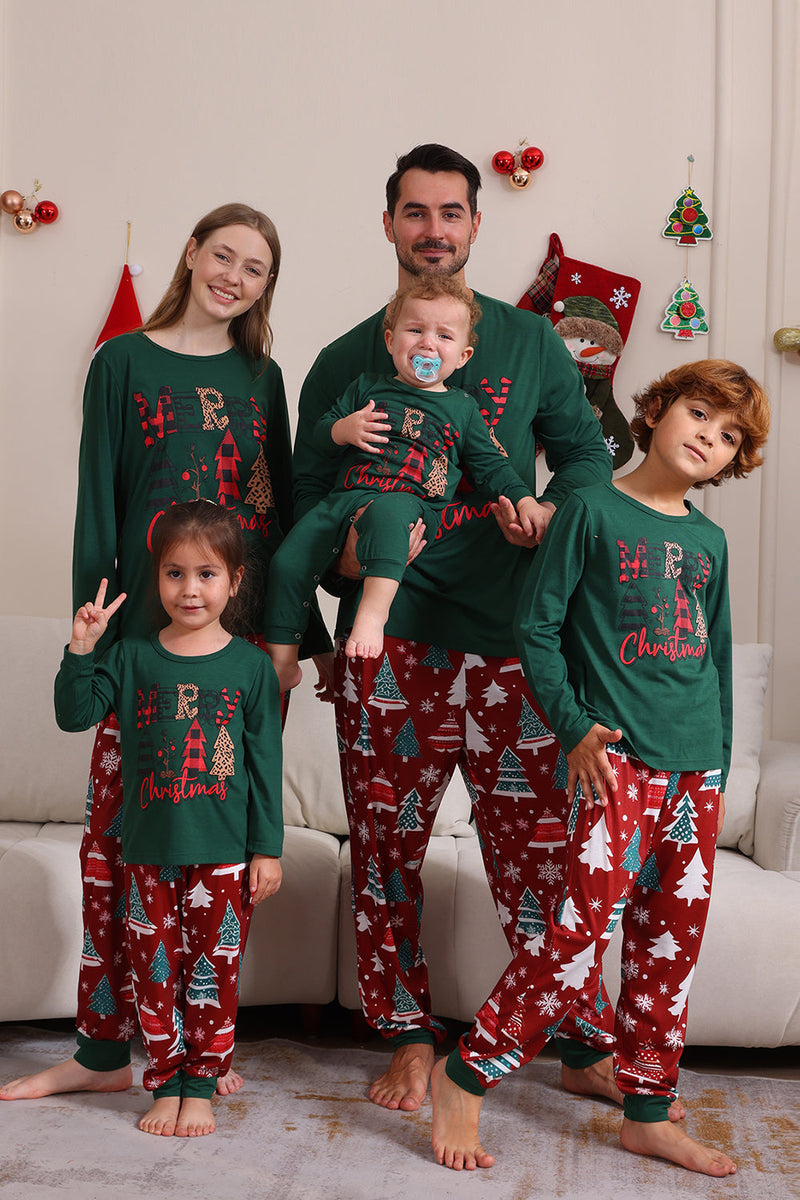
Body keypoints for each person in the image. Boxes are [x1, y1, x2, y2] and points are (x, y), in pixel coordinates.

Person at [293, 144, 618, 1118]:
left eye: (450, 212)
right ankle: (402, 1040)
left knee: (539, 855)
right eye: (414, 212)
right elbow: (303, 502)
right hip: (391, 646)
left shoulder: (528, 344)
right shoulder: (343, 362)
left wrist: (552, 516)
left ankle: (580, 1041)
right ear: (388, 224)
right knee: (385, 853)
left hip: (517, 640)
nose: (433, 228)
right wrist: (335, 572)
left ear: (475, 226)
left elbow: (585, 461)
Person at [0, 203, 330, 1106]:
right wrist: (95, 621)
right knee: (113, 859)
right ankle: (102, 1053)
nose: (233, 275)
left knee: (217, 874)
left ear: (266, 287)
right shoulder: (123, 363)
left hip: (245, 647)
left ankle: (196, 1060)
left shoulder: (263, 376)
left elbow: (280, 510)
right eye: (221, 254)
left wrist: (301, 633)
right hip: (144, 644)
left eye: (255, 267)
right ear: (190, 254)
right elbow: (98, 498)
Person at [430, 360, 770, 1172]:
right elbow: (537, 630)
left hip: (695, 769)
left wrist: (716, 765)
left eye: (727, 437)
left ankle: (649, 1108)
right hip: (615, 764)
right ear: (655, 412)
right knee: (576, 936)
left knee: (670, 945)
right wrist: (575, 725)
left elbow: (714, 662)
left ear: (732, 462)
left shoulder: (708, 539)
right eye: (697, 413)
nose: (707, 438)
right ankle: (466, 1075)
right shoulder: (588, 508)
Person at [54, 501, 283, 1137]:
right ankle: (163, 1082)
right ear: (156, 578)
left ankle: (202, 1086)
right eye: (175, 573)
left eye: (207, 574)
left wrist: (268, 850)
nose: (190, 589)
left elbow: (265, 766)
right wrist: (81, 648)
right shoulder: (130, 658)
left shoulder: (251, 668)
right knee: (155, 972)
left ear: (235, 582)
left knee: (216, 972)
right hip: (147, 849)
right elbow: (75, 716)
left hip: (225, 852)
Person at [265, 277, 548, 690]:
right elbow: (319, 433)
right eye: (415, 330)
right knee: (288, 560)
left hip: (410, 504)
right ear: (390, 339)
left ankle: (372, 618)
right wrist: (346, 428)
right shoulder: (366, 387)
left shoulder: (462, 410)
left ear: (463, 355)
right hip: (347, 500)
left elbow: (492, 466)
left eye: (444, 336)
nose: (428, 344)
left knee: (389, 513)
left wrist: (525, 499)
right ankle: (283, 660)